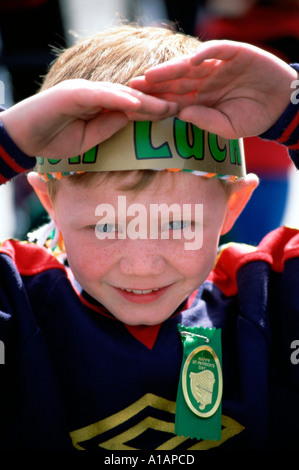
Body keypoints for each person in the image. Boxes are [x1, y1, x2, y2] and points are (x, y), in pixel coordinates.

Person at [0, 25, 298, 451]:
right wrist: (8, 136)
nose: (141, 265)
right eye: (105, 226)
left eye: (178, 226)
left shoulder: (268, 301)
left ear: (233, 206)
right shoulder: (19, 305)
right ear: (50, 203)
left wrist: (293, 104)